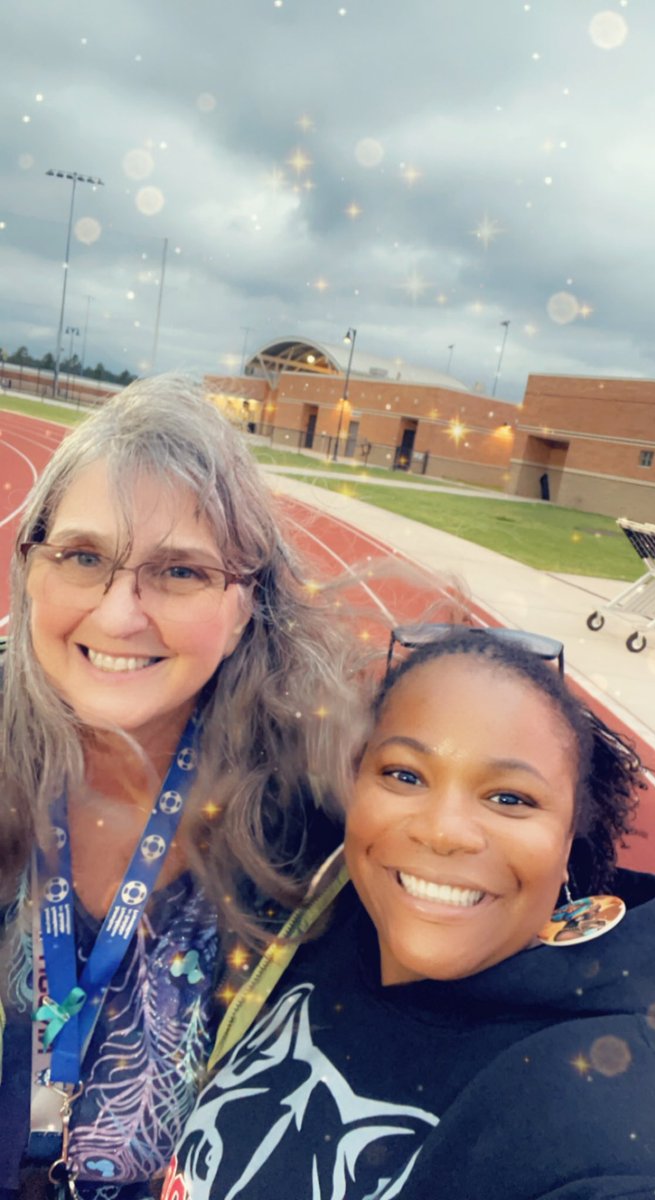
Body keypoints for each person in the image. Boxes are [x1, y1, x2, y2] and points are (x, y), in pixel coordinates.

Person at [0, 376, 361, 1199]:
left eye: (179, 572)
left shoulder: (316, 824)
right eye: (84, 557)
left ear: (245, 605)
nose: (120, 614)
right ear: (30, 569)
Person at [166, 626, 655, 1200]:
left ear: (567, 843)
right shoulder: (316, 913)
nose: (443, 830)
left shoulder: (606, 1104)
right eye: (404, 775)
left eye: (510, 798)